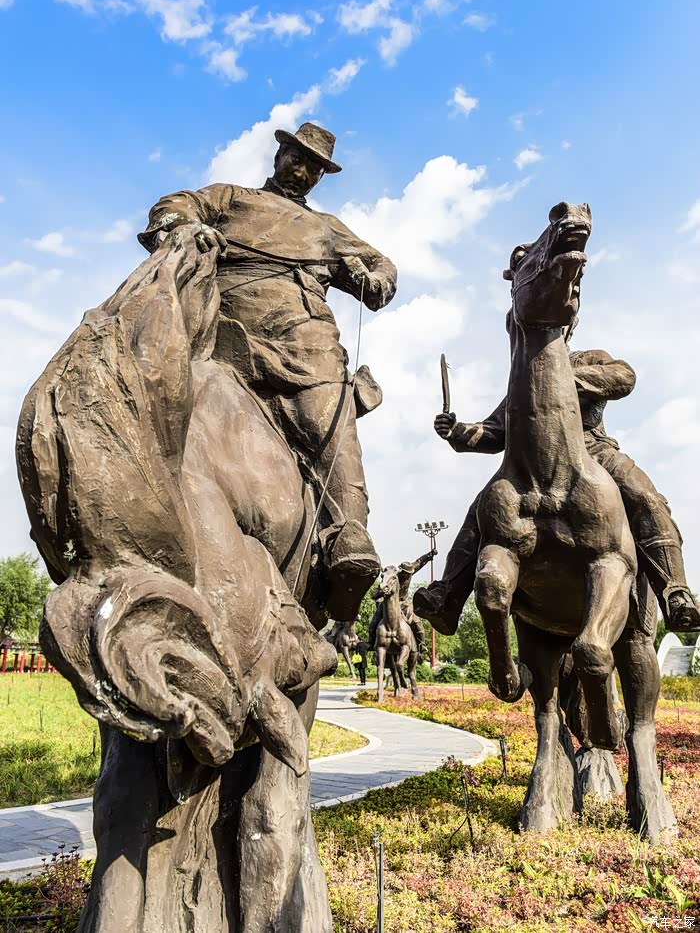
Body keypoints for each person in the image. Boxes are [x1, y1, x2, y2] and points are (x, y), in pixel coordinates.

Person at [139, 123, 397, 621]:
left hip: (305, 346)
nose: (303, 172)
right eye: (297, 159)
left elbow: (382, 267)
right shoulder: (231, 198)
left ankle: (348, 541)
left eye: (315, 168)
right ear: (279, 154)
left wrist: (375, 278)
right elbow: (173, 206)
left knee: (328, 424)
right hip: (226, 341)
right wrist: (187, 228)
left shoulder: (327, 228)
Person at [414, 346, 700, 635]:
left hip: (592, 451)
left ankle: (675, 593)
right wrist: (456, 430)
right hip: (532, 461)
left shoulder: (590, 358)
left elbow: (624, 376)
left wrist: (561, 377)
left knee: (644, 496)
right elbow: (495, 431)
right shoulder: (524, 374)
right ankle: (448, 596)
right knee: (483, 508)